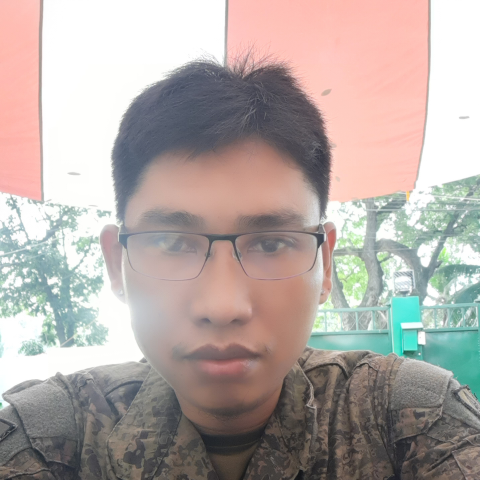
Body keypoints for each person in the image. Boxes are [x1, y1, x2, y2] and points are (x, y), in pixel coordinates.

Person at [0, 57, 479, 480]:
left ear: (325, 262)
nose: (223, 306)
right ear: (115, 263)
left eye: (270, 243)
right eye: (172, 242)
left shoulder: (411, 417)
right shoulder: (48, 437)